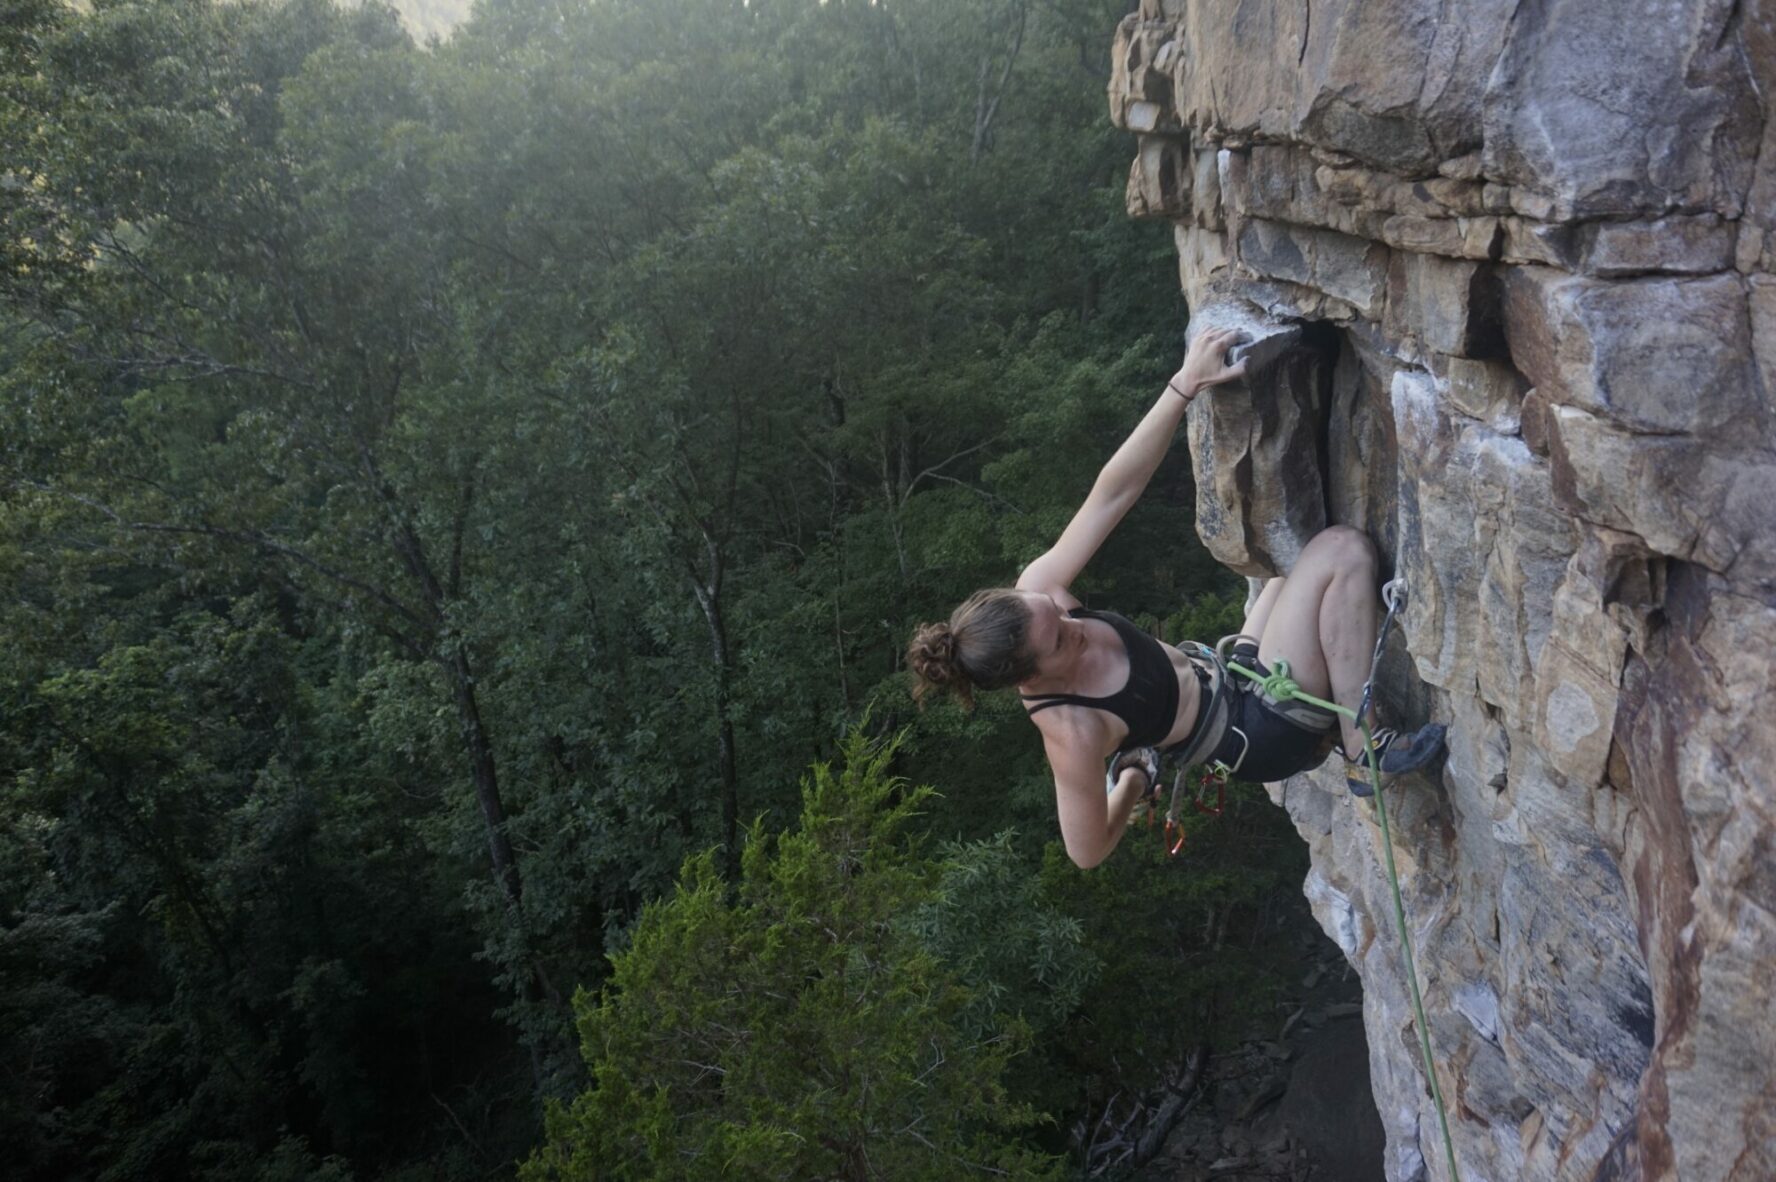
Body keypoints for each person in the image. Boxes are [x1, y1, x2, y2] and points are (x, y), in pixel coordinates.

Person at [906, 327, 1443, 869]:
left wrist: (1184, 385)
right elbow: (1086, 852)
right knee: (1342, 552)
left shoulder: (1040, 594)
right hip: (1256, 732)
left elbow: (1112, 493)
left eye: (1057, 613)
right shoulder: (1071, 730)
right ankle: (1365, 748)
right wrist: (1135, 779)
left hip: (1232, 672)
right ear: (1031, 677)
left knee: (1293, 550)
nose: (1073, 623)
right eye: (1063, 640)